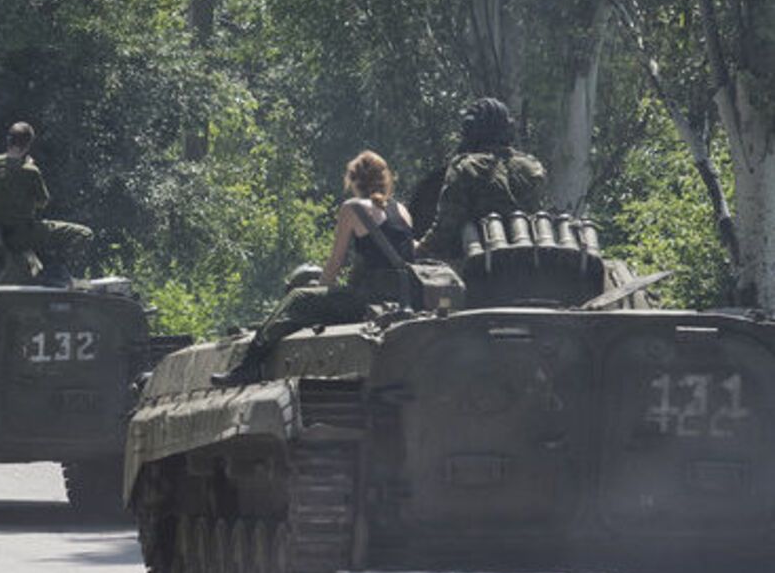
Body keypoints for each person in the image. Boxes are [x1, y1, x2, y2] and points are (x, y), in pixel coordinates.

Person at [212, 151, 415, 386]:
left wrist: (318, 296)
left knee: (299, 297)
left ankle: (250, 365)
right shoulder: (402, 210)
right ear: (385, 178)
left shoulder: (352, 208)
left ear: (352, 180)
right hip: (401, 298)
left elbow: (333, 266)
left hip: (366, 299)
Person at [415, 97, 545, 260]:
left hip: (478, 264)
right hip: (529, 259)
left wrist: (419, 249)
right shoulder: (531, 166)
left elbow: (446, 227)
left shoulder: (466, 167)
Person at [0, 122, 92, 279]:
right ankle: (54, 272)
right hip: (21, 234)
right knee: (83, 233)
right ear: (28, 145)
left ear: (8, 140)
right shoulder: (30, 171)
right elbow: (41, 203)